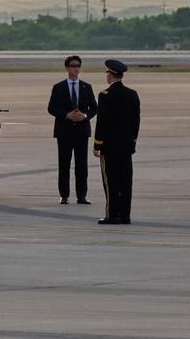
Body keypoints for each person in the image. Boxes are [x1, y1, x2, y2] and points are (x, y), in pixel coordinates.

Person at [93, 59, 140, 225]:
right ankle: (125, 215)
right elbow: (136, 122)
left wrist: (97, 144)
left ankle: (112, 214)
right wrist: (132, 141)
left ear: (111, 75)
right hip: (127, 147)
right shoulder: (132, 94)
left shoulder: (105, 95)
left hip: (110, 147)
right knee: (126, 181)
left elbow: (102, 122)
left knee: (111, 181)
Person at [47, 55, 98, 205]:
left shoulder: (86, 87)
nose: (76, 68)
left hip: (82, 131)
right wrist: (66, 115)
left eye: (78, 66)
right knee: (64, 164)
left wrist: (85, 116)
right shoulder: (59, 87)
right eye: (73, 65)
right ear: (67, 68)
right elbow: (51, 108)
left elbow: (94, 107)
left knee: (82, 165)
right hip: (64, 131)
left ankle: (82, 196)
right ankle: (64, 195)